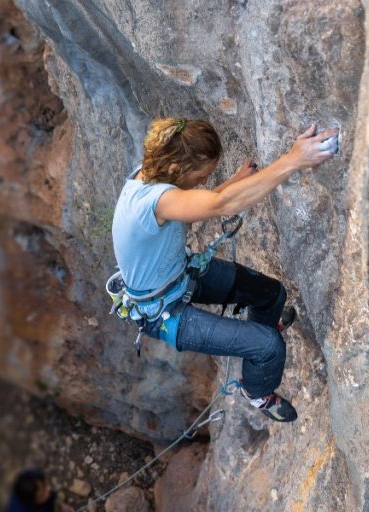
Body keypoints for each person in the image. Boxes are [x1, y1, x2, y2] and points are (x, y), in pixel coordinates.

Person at [111, 118, 338, 422]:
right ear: (177, 170)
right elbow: (219, 205)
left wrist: (232, 183)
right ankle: (258, 391)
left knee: (272, 295)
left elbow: (195, 202)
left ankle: (260, 333)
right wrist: (294, 160)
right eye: (202, 176)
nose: (204, 182)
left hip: (178, 276)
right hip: (161, 312)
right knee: (270, 347)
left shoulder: (149, 175)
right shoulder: (154, 201)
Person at [7, 469, 74, 512]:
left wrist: (61, 506)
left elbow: (41, 476)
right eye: (41, 495)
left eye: (44, 485)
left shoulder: (28, 476)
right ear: (33, 502)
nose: (48, 490)